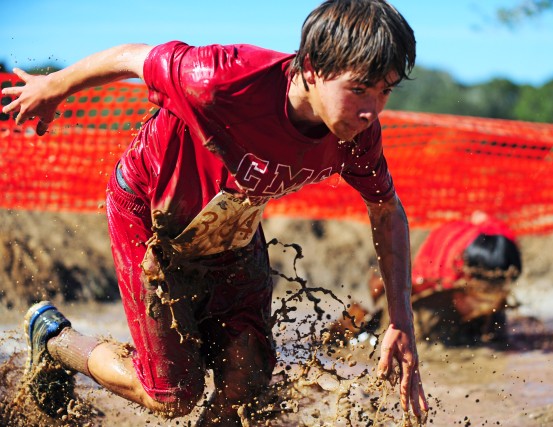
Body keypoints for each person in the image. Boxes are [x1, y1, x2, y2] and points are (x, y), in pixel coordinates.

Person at [2, 0, 428, 424]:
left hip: (230, 231)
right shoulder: (222, 79)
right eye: (359, 89)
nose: (372, 109)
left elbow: (387, 209)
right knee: (172, 395)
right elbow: (132, 57)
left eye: (385, 90)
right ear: (313, 68)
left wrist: (401, 319)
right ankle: (56, 339)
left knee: (250, 384)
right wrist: (53, 86)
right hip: (150, 217)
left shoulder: (358, 137)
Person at [335, 212, 522, 346]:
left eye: (499, 287)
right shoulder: (435, 286)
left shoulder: (501, 256)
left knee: (494, 329)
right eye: (484, 291)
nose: (492, 296)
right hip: (428, 292)